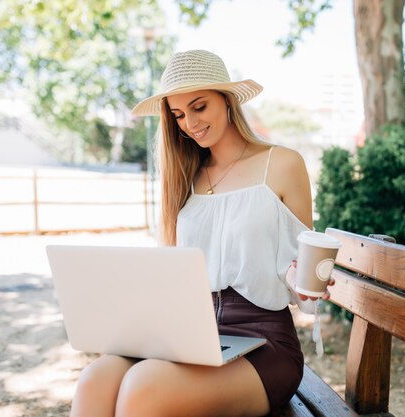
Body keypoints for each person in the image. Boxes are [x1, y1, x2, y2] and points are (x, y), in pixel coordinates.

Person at [69, 49, 334, 417]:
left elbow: (299, 270)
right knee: (95, 379)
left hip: (263, 345)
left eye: (199, 107)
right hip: (191, 339)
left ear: (227, 101)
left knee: (143, 387)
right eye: (178, 114)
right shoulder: (184, 176)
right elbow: (170, 275)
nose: (190, 123)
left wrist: (302, 280)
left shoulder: (283, 164)